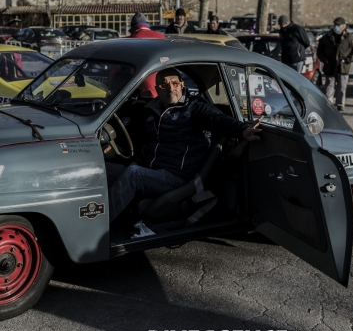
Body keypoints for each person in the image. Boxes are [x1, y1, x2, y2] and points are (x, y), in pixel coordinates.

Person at [107, 67, 261, 222]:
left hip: (176, 176)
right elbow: (144, 143)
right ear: (156, 89)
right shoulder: (150, 111)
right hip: (151, 169)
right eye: (164, 85)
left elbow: (218, 119)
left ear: (182, 84)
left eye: (175, 83)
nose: (171, 88)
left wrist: (242, 130)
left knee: (134, 174)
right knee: (102, 170)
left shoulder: (194, 107)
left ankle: (99, 228)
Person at [316, 17, 353, 112]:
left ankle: (340, 104)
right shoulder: (326, 37)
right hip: (330, 66)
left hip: (343, 67)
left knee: (341, 87)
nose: (336, 27)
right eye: (335, 25)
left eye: (338, 25)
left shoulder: (350, 38)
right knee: (329, 87)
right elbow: (320, 51)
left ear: (343, 26)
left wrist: (348, 59)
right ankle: (328, 104)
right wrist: (325, 60)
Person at [128, 12, 166, 98]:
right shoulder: (161, 37)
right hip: (164, 85)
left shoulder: (130, 41)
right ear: (147, 25)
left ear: (133, 27)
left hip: (142, 87)